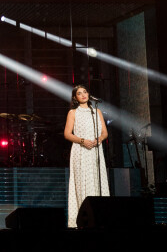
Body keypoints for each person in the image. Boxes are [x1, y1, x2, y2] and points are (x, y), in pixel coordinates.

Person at [64, 84, 110, 228]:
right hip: (80, 150)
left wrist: (99, 139)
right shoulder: (73, 112)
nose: (83, 95)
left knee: (97, 180)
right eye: (79, 93)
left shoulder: (97, 111)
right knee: (81, 181)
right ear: (75, 97)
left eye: (85, 92)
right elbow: (67, 134)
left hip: (95, 150)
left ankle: (100, 217)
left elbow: (104, 132)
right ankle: (82, 219)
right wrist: (83, 141)